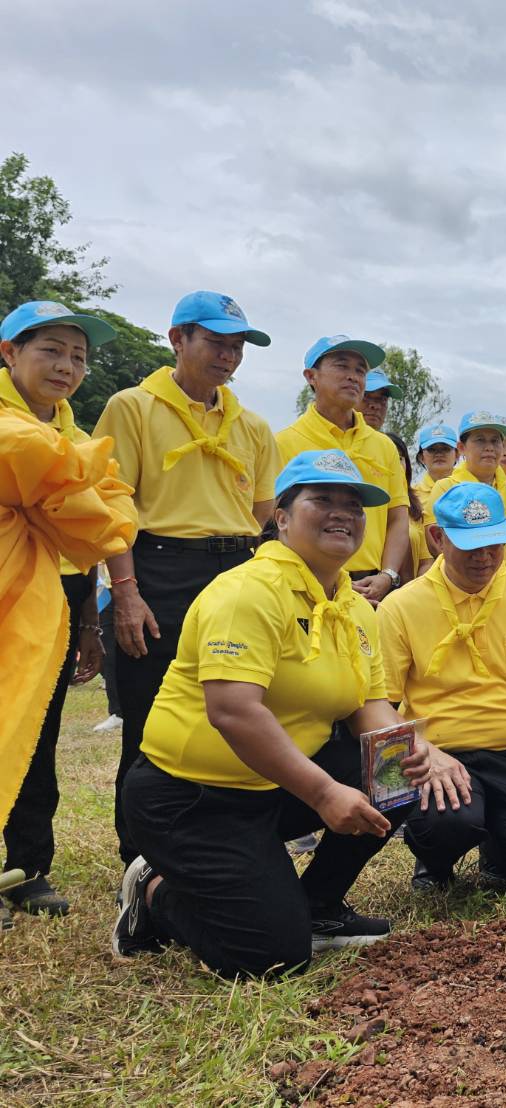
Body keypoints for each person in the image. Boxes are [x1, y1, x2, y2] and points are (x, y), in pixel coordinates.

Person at [113, 450, 471, 976]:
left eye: (354, 505)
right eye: (321, 499)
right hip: (192, 798)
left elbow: (368, 706)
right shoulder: (247, 592)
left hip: (273, 788)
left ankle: (319, 907)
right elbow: (232, 712)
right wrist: (324, 793)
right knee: (273, 958)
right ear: (280, 517)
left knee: (398, 771)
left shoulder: (352, 607)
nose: (342, 513)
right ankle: (154, 890)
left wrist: (426, 752)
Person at [95, 291, 280, 867]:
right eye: (215, 342)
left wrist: (233, 552)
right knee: (151, 716)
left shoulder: (250, 424)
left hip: (235, 569)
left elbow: (263, 507)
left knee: (237, 707)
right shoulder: (132, 407)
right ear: (177, 339)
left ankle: (223, 838)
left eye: (236, 346)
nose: (227, 357)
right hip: (159, 568)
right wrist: (126, 591)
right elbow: (112, 501)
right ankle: (140, 857)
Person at [378, 483, 506, 888]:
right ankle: (434, 859)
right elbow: (379, 703)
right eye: (470, 545)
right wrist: (427, 755)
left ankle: (499, 846)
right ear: (437, 538)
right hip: (438, 753)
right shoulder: (401, 606)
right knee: (449, 822)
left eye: (494, 544)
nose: (485, 557)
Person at [0, 302, 134, 925]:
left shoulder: (78, 442)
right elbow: (97, 514)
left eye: (78, 357)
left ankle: (27, 867)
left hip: (57, 602)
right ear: (9, 353)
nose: (66, 366)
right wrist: (76, 508)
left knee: (38, 734)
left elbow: (109, 520)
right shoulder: (19, 432)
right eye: (50, 350)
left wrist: (86, 623)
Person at [275, 335, 409, 605]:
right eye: (341, 366)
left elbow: (397, 517)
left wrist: (387, 575)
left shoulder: (383, 446)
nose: (353, 377)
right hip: (305, 587)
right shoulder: (284, 442)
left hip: (373, 588)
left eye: (360, 370)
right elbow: (273, 522)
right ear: (311, 376)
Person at [431, 412, 506, 576]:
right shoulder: (445, 488)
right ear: (461, 448)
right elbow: (437, 544)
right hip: (465, 582)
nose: (489, 447)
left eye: (495, 441)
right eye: (480, 440)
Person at [385, 431, 431, 580]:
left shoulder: (416, 506)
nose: (395, 464)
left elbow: (426, 561)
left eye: (399, 458)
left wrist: (413, 593)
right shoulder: (364, 502)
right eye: (387, 457)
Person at [413, 421, 458, 500]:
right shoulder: (412, 496)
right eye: (432, 449)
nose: (439, 454)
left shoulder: (470, 487)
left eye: (445, 449)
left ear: (457, 455)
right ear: (421, 457)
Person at [355, 368, 403, 433]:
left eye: (383, 399)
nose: (376, 406)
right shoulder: (337, 439)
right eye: (365, 396)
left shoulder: (386, 443)